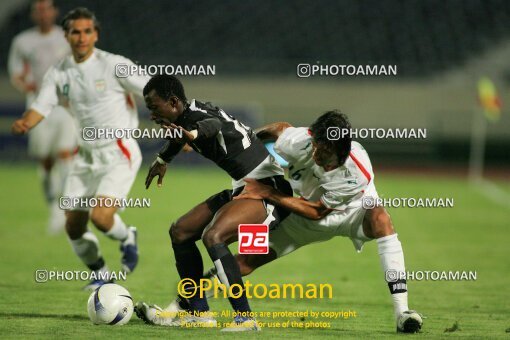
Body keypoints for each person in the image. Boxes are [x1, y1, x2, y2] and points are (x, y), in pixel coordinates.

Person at [170, 111, 423, 333]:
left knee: (381, 218)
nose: (318, 155)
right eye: (317, 148)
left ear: (344, 152)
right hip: (299, 215)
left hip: (350, 214)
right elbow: (279, 128)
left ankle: (402, 312)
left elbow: (318, 211)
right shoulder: (300, 140)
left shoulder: (356, 169)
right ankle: (187, 302)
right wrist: (246, 141)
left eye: (326, 154)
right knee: (244, 260)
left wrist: (268, 193)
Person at [135, 75, 292, 331]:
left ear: (173, 102)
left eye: (154, 106)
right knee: (181, 231)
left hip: (269, 192)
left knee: (213, 236)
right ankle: (199, 313)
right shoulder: (187, 115)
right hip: (244, 188)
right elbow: (181, 136)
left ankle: (245, 318)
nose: (151, 113)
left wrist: (192, 134)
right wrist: (163, 159)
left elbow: (213, 126)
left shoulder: (196, 119)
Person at [11, 7, 149, 290]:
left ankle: (126, 237)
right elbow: (42, 105)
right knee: (73, 225)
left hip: (118, 152)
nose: (82, 37)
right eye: (76, 31)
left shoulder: (114, 65)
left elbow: (151, 87)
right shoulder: (60, 72)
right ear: (67, 36)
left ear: (96, 34)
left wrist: (174, 119)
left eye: (87, 31)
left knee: (100, 218)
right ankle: (100, 273)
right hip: (85, 157)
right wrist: (26, 122)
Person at [8, 0, 76, 234]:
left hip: (64, 106)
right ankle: (53, 208)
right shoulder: (22, 42)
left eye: (47, 8)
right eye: (39, 9)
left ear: (54, 12)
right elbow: (16, 73)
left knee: (65, 154)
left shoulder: (67, 37)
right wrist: (25, 83)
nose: (43, 13)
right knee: (46, 162)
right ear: (33, 14)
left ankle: (65, 211)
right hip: (37, 107)